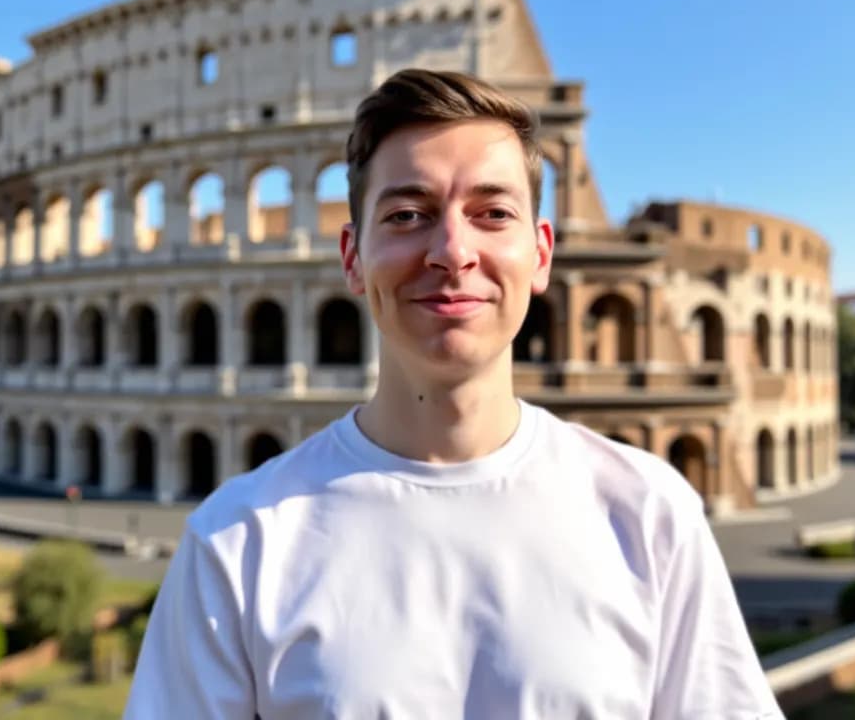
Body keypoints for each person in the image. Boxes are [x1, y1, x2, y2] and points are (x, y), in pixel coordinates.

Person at [124, 69, 783, 718]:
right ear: (353, 258)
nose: (451, 250)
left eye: (492, 214)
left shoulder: (651, 514)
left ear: (541, 254)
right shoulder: (235, 543)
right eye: (408, 215)